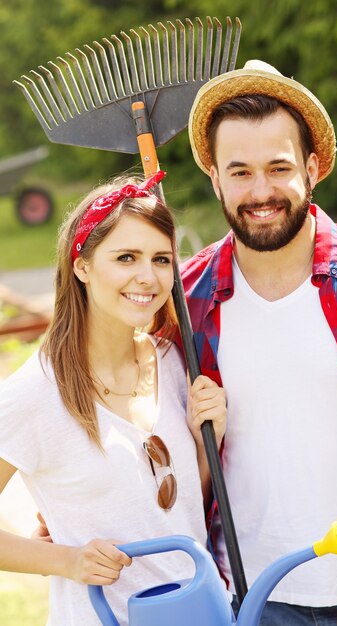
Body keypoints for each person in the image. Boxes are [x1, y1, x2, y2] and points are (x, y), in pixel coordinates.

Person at [181, 60, 337, 626]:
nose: (260, 191)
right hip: (253, 600)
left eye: (278, 167)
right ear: (214, 177)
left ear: (312, 168)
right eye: (239, 172)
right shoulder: (184, 301)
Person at [0, 171, 227, 626]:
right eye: (126, 257)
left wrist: (207, 443)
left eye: (162, 259)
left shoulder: (174, 363)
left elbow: (176, 511)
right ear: (81, 265)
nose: (148, 277)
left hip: (199, 614)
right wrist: (68, 560)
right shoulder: (35, 394)